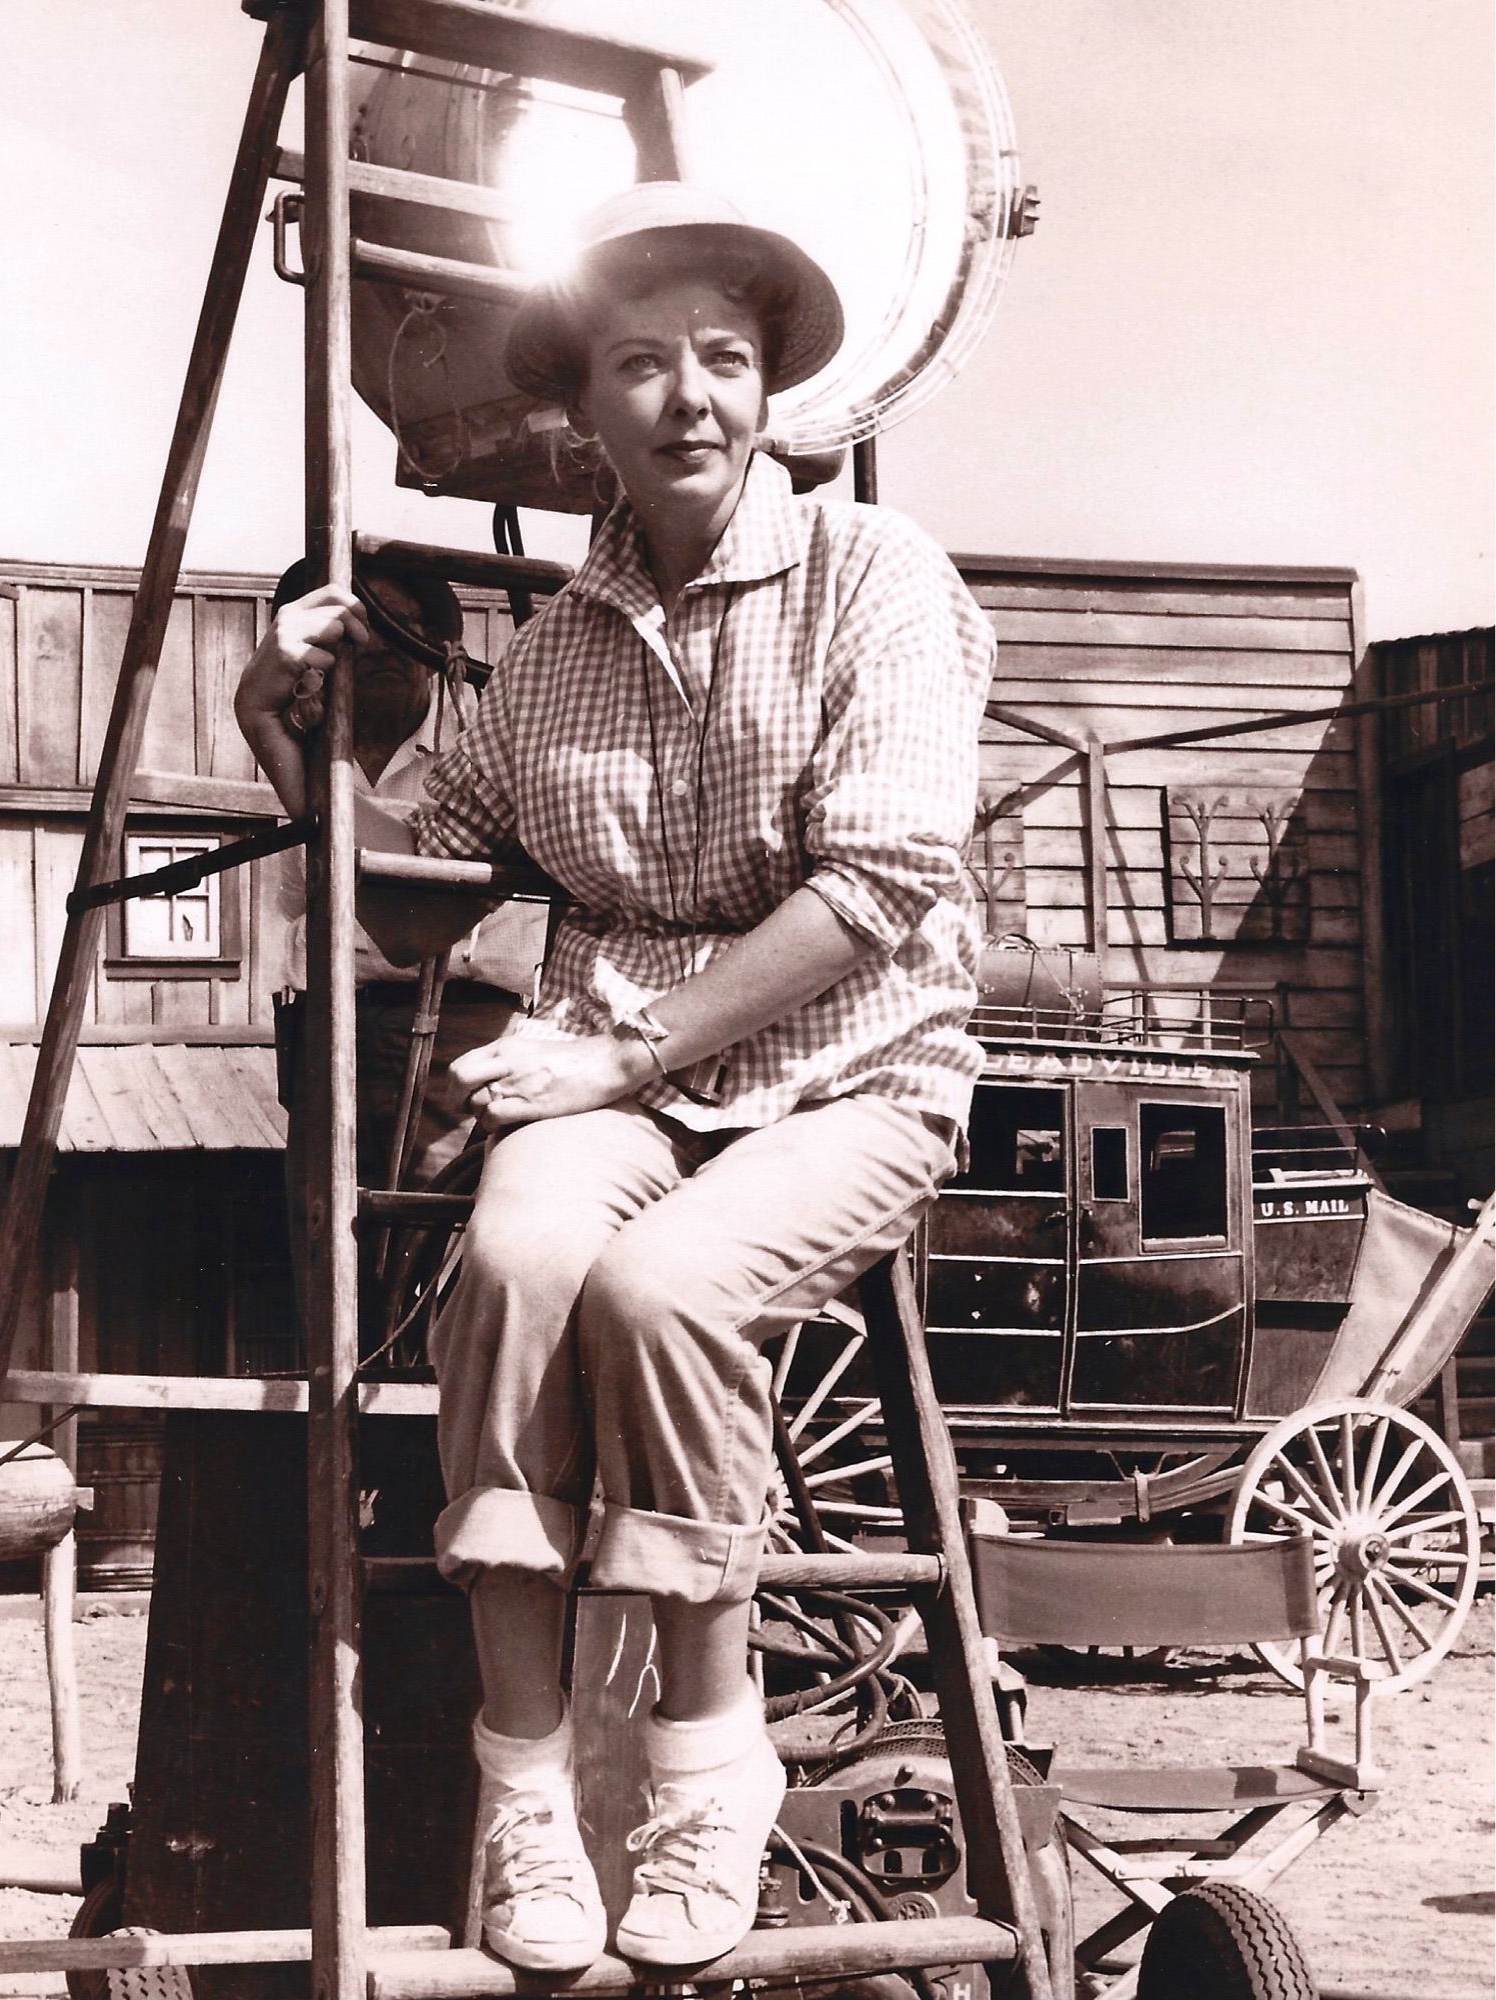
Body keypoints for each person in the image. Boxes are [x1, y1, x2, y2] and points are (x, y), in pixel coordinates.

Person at [235, 180, 995, 1974]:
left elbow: (876, 887)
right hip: (618, 1084)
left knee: (659, 1292)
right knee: (504, 1274)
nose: (684, 400)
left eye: (719, 361)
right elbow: (409, 898)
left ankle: (698, 1778)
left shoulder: (877, 580)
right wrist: (283, 735)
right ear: (584, 409)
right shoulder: (559, 650)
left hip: (856, 1073)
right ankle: (524, 1793)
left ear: (769, 390)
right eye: (638, 365)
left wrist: (621, 1053)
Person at [234, 554, 546, 1341]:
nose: (366, 649)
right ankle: (349, 1447)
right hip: (326, 1027)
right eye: (347, 633)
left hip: (460, 1027)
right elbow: (294, 910)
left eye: (390, 631)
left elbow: (416, 919)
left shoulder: (475, 760)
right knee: (327, 1249)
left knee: (433, 1253)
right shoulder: (299, 756)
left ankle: (428, 1436)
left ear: (435, 653)